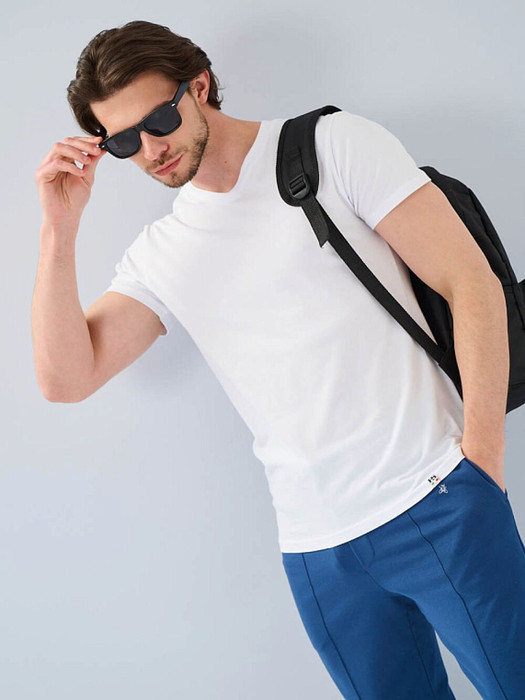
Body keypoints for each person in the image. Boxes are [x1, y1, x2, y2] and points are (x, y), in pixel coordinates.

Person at [32, 19, 525, 699]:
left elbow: (469, 282)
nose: (149, 149)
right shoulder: (164, 251)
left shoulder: (331, 145)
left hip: (439, 496)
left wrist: (482, 466)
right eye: (122, 141)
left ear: (198, 86)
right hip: (318, 552)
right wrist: (58, 230)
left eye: (158, 120)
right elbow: (66, 378)